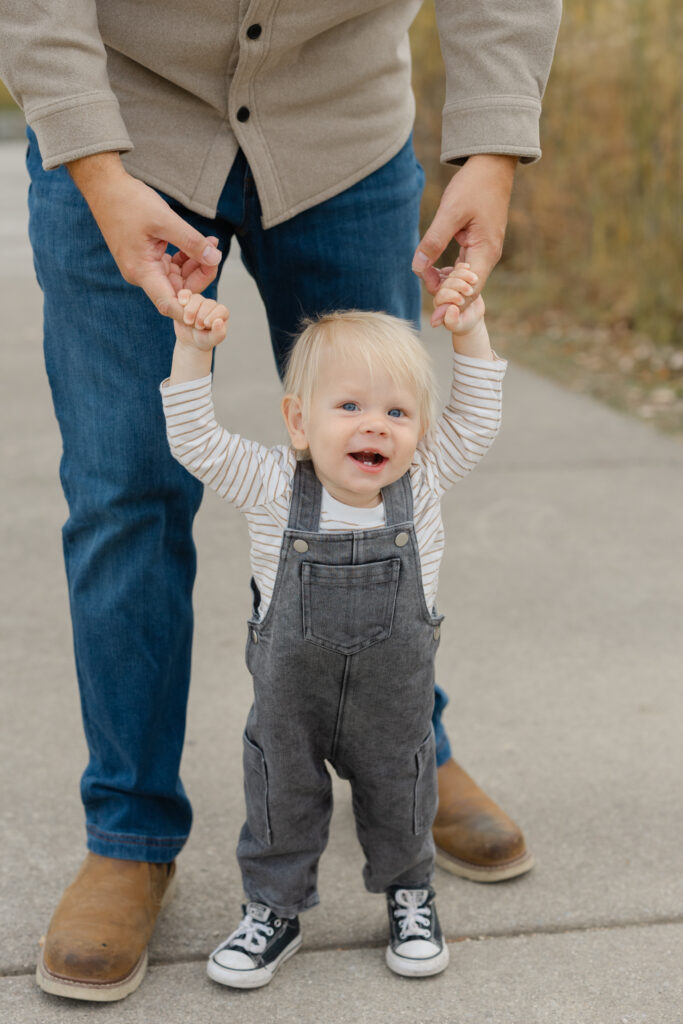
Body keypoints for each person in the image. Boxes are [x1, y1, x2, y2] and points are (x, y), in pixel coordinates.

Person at [0, 0, 561, 1002]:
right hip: (126, 134)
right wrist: (91, 161)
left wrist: (490, 146)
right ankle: (128, 831)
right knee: (124, 491)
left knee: (382, 463)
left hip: (341, 130)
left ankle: (410, 749)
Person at [159, 262, 505, 987]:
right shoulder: (270, 483)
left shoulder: (425, 479)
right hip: (292, 696)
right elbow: (193, 439)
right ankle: (273, 910)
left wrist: (468, 332)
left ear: (417, 430)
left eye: (396, 413)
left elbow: (476, 419)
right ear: (298, 421)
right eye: (347, 406)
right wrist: (193, 349)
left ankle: (409, 895)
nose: (374, 424)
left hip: (393, 692)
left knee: (401, 791)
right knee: (279, 796)